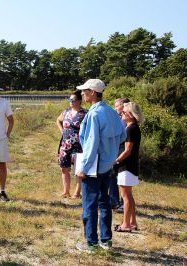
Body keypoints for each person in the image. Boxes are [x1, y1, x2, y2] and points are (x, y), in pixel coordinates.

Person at [75, 79, 126, 252]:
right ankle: (106, 240)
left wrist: (83, 167)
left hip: (93, 166)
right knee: (104, 203)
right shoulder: (111, 111)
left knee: (89, 205)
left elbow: (91, 143)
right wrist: (111, 155)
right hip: (107, 166)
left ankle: (91, 243)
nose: (82, 94)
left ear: (93, 92)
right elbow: (122, 136)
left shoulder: (94, 114)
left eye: (84, 91)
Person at [113, 102, 144, 232]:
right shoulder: (133, 127)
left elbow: (127, 150)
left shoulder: (130, 129)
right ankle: (132, 222)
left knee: (125, 196)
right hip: (130, 166)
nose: (122, 114)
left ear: (130, 115)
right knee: (129, 196)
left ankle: (125, 224)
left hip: (126, 166)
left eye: (124, 112)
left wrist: (115, 161)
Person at [56, 91, 88, 199]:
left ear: (79, 101)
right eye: (69, 100)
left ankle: (77, 193)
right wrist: (62, 131)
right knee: (64, 168)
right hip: (65, 145)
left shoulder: (85, 113)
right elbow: (58, 120)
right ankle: (66, 191)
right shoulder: (66, 112)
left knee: (78, 169)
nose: (70, 102)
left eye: (73, 100)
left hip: (78, 145)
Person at [110, 98, 130, 212]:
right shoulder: (116, 117)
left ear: (122, 106)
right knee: (112, 175)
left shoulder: (127, 119)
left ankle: (122, 203)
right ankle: (113, 201)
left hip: (122, 149)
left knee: (122, 177)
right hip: (114, 148)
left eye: (117, 106)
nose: (115, 108)